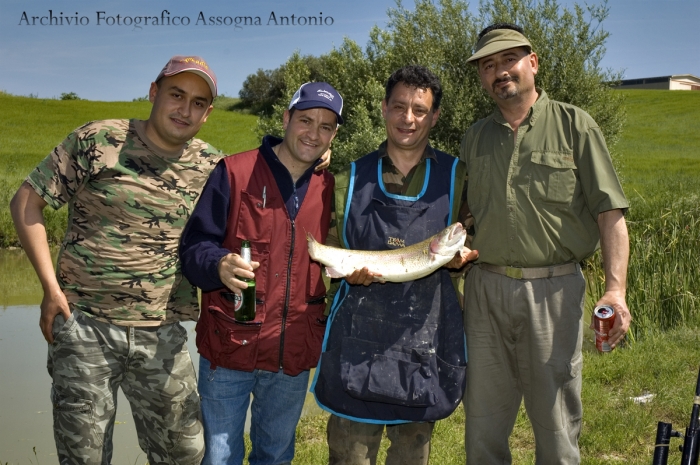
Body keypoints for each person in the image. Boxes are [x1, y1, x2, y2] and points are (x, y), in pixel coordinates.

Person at [9, 55, 220, 464]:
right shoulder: (98, 140)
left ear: (207, 114)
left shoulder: (211, 164)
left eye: (198, 102)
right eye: (177, 94)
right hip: (84, 329)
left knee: (186, 454)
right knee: (84, 458)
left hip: (162, 334)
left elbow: (259, 183)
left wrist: (310, 161)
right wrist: (50, 289)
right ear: (154, 92)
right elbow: (26, 203)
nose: (185, 109)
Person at [459, 23, 631, 464]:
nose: (500, 72)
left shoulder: (576, 125)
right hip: (484, 293)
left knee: (556, 430)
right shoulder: (474, 138)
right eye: (489, 65)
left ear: (532, 63)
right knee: (482, 429)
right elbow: (461, 219)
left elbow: (609, 212)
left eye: (508, 60)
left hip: (554, 294)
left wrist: (615, 290)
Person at [312, 65, 477, 465]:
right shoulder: (349, 177)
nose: (408, 118)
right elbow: (330, 248)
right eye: (400, 107)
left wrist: (466, 258)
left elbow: (473, 235)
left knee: (411, 456)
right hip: (358, 340)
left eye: (420, 110)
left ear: (434, 116)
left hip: (424, 341)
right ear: (384, 108)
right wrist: (341, 270)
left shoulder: (458, 175)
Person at [178, 81, 343, 465]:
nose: (313, 133)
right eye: (305, 120)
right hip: (230, 347)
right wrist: (217, 264)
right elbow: (193, 248)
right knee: (219, 457)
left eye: (325, 126)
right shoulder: (234, 172)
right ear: (286, 118)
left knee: (276, 455)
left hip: (292, 354)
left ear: (333, 135)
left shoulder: (328, 185)